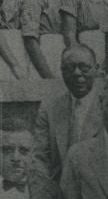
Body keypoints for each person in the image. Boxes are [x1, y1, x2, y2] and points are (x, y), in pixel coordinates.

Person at [33, 43, 104, 181]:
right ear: (61, 71)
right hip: (60, 192)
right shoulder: (50, 108)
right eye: (69, 68)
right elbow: (39, 157)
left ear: (96, 69)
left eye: (84, 67)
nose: (77, 73)